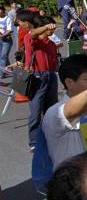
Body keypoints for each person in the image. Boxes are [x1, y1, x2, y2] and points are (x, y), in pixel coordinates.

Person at [25, 13, 59, 153]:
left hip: (51, 76)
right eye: (50, 28)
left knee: (51, 111)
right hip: (38, 77)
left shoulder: (51, 44)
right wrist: (45, 26)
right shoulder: (33, 40)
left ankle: (51, 137)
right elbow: (32, 33)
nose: (52, 30)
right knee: (35, 111)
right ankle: (34, 141)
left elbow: (55, 62)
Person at [0, 5, 14, 78]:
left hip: (7, 40)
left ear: (3, 11)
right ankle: (10, 69)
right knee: (4, 56)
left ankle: (1, 74)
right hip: (0, 39)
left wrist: (3, 35)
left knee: (3, 57)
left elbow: (10, 30)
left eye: (0, 10)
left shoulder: (7, 19)